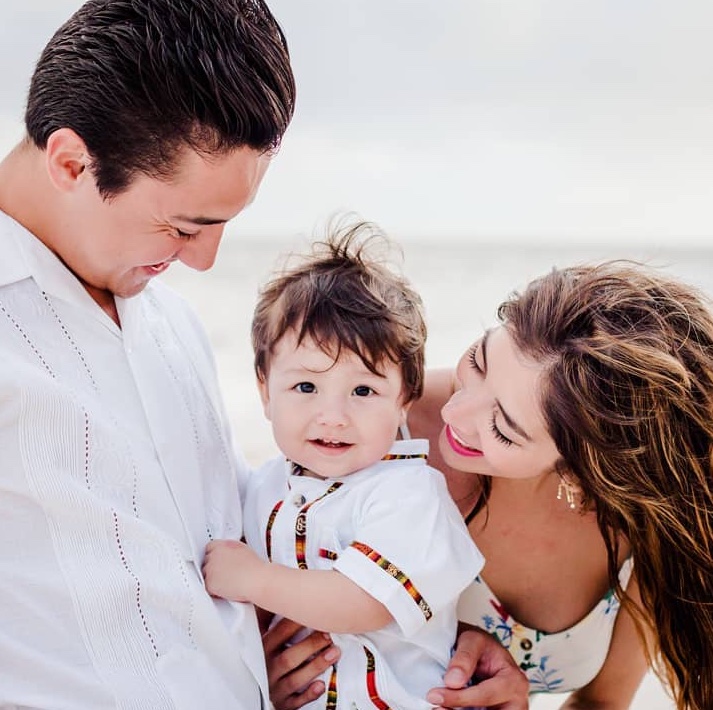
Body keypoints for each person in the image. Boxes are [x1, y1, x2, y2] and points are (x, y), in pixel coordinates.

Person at [0, 0, 296, 706]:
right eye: (184, 226)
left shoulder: (170, 320)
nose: (204, 261)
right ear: (72, 162)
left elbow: (219, 538)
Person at [270, 261, 713, 710]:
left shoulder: (648, 525)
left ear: (582, 471)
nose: (454, 413)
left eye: (502, 428)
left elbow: (601, 702)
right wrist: (253, 678)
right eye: (479, 361)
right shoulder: (368, 421)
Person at [203, 223, 485, 709]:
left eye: (363, 391)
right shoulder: (265, 485)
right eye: (306, 388)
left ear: (403, 402)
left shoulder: (410, 492)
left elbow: (365, 602)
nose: (332, 416)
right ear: (264, 391)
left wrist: (252, 579)